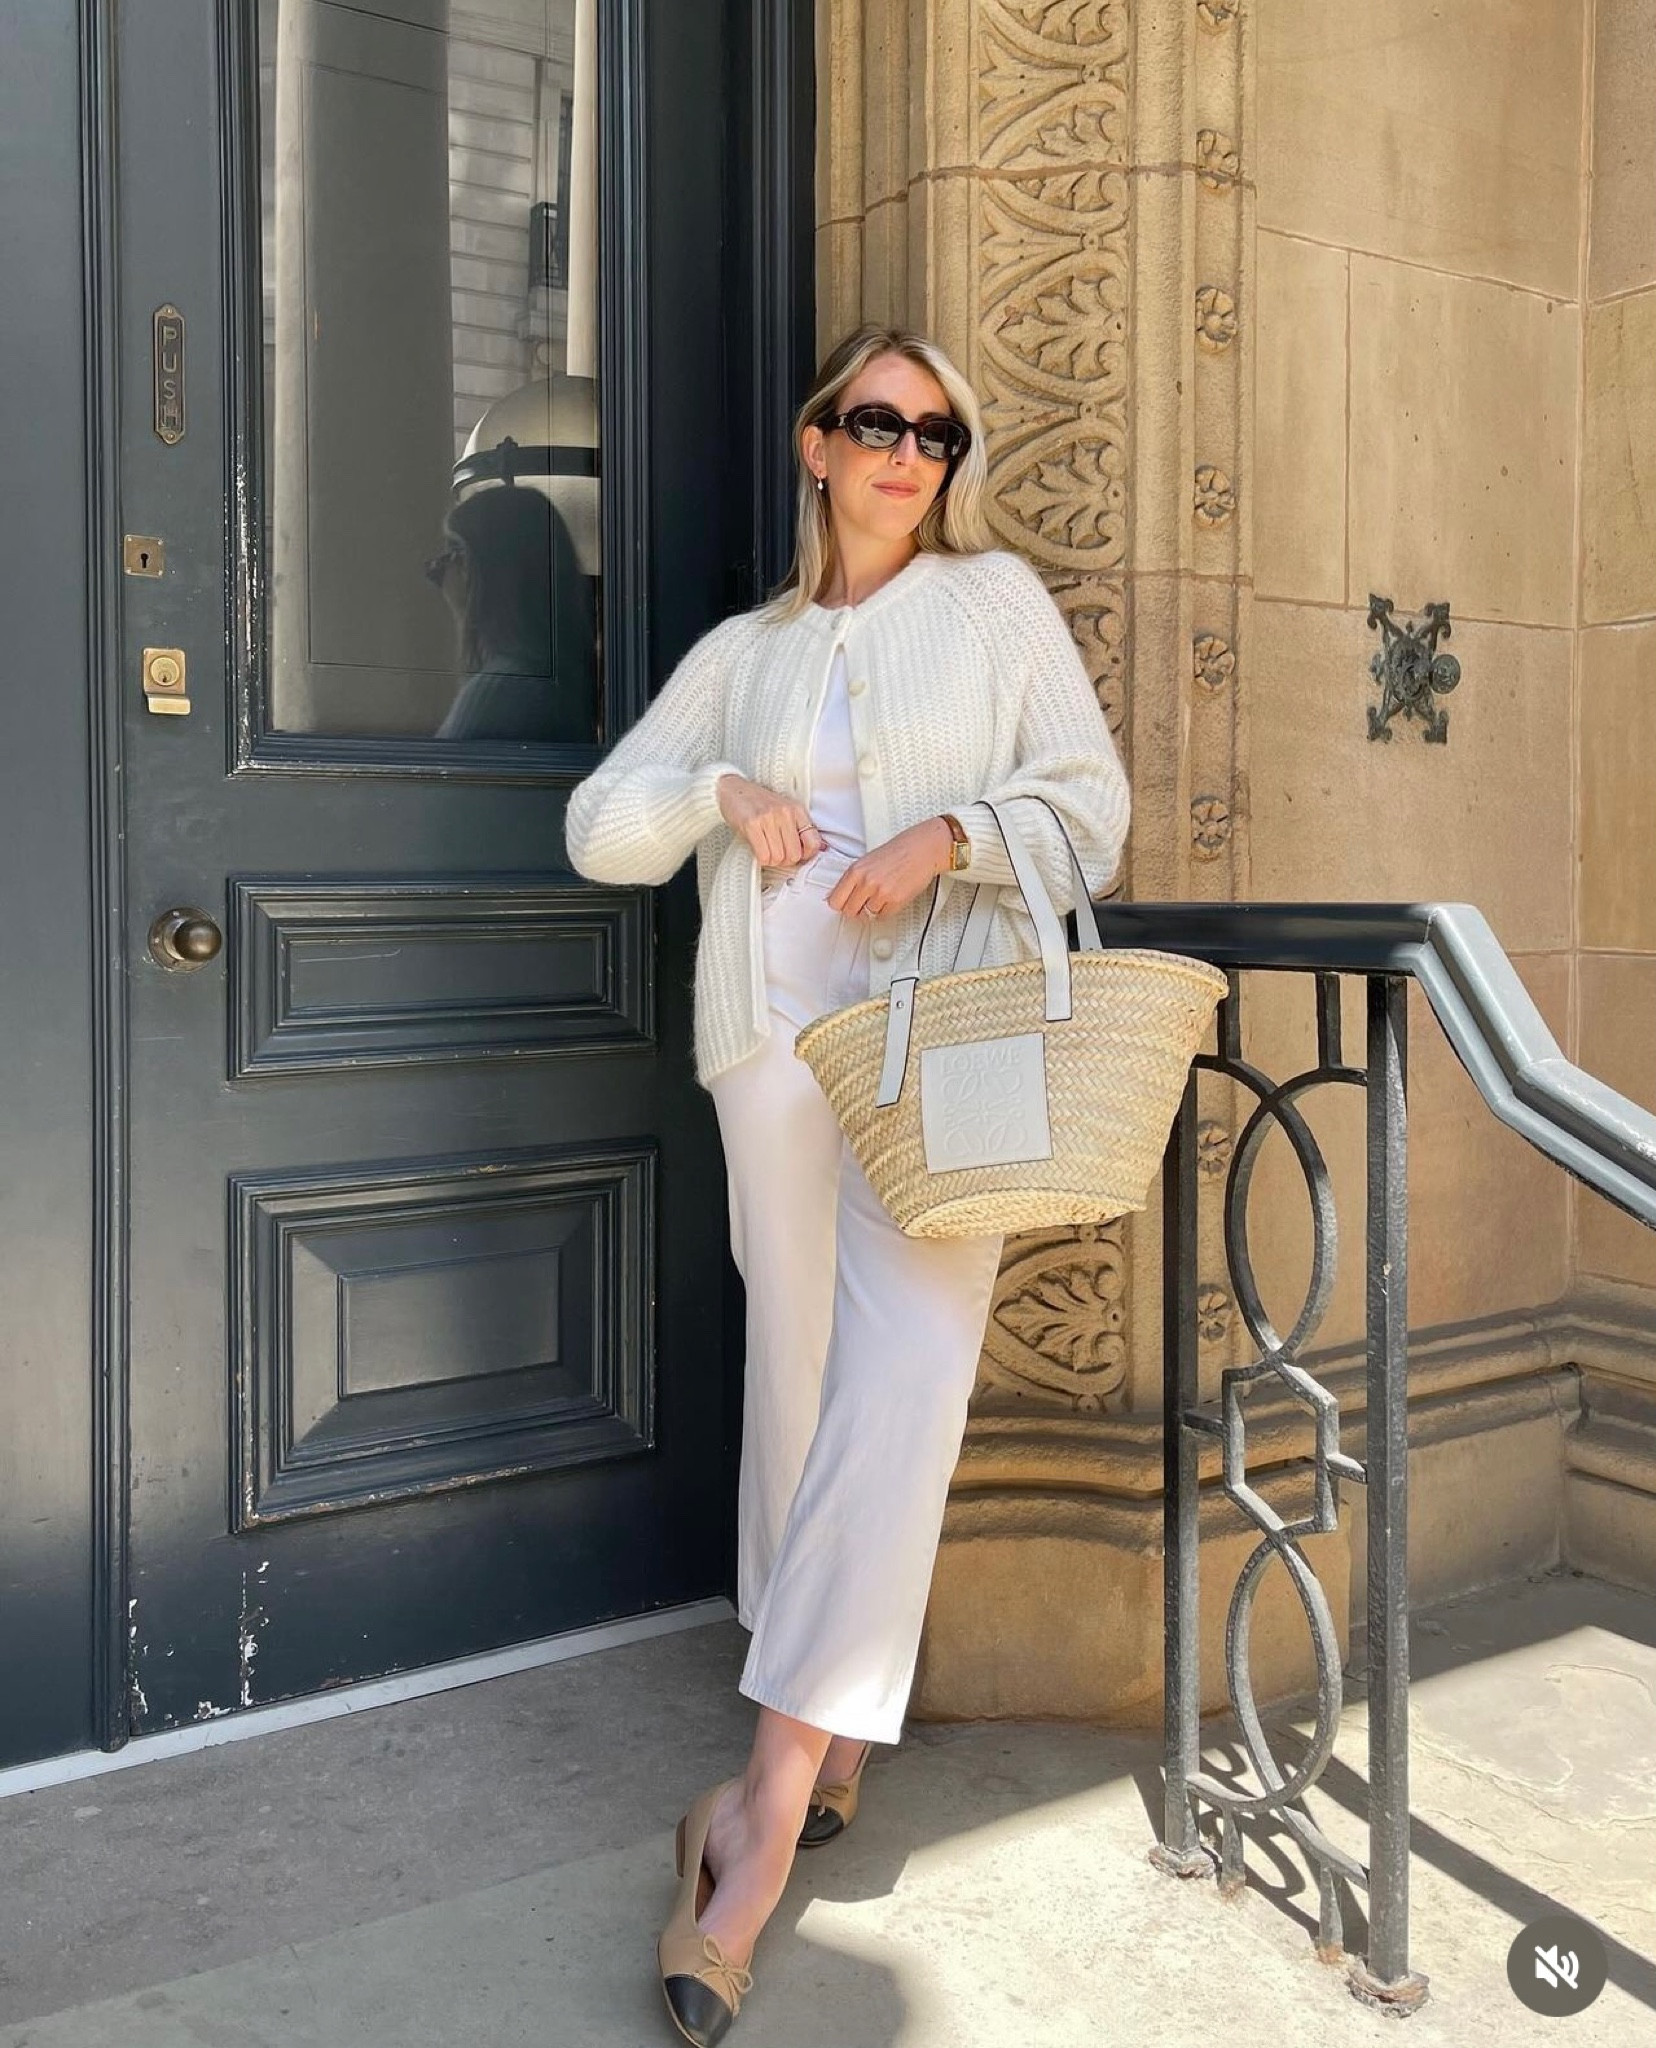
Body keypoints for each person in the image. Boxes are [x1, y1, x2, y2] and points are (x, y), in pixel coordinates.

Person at [563, 321, 1130, 2045]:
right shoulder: (745, 651)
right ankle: (833, 1735)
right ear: (815, 441)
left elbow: (1090, 806)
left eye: (938, 435)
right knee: (804, 1386)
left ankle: (749, 1820)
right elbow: (600, 821)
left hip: (937, 1042)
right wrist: (718, 792)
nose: (908, 454)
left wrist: (948, 835)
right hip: (769, 1044)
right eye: (877, 423)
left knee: (902, 1389)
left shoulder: (993, 607)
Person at [427, 484, 598, 743]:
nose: (441, 571)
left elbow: (434, 780)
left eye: (455, 551)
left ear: (487, 570)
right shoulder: (554, 680)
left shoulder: (502, 689)